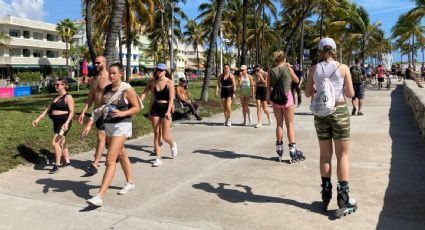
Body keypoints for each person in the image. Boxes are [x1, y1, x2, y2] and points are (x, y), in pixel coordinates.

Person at [305, 37, 357, 217]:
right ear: (334, 50)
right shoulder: (342, 68)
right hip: (339, 111)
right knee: (342, 154)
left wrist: (319, 86)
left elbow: (307, 93)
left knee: (325, 154)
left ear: (320, 51)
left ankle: (325, 193)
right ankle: (343, 197)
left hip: (321, 114)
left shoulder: (314, 69)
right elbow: (351, 93)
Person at [82, 63, 140, 207]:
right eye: (110, 73)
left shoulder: (127, 89)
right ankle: (130, 182)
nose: (111, 75)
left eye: (114, 73)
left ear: (121, 74)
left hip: (122, 125)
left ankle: (100, 196)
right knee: (121, 154)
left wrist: (123, 113)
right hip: (109, 124)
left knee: (110, 160)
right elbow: (102, 108)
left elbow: (137, 107)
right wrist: (90, 123)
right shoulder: (107, 89)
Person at [267, 50, 304, 163]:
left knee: (279, 124)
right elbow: (297, 81)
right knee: (290, 125)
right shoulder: (288, 69)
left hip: (276, 99)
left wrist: (269, 98)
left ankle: (279, 150)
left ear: (275, 60)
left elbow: (268, 86)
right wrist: (290, 68)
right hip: (287, 97)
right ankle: (292, 151)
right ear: (284, 59)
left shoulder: (271, 71)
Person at [32, 78, 74, 173]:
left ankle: (57, 165)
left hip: (64, 124)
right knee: (61, 142)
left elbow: (72, 112)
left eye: (58, 84)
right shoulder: (55, 97)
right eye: (55, 84)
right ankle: (67, 162)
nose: (55, 86)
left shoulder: (68, 97)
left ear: (64, 86)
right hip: (56, 123)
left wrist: (67, 123)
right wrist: (38, 119)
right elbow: (47, 110)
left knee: (55, 143)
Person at [78, 56, 111, 175]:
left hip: (109, 112)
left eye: (98, 63)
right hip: (97, 112)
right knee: (107, 139)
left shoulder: (110, 77)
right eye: (95, 63)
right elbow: (90, 98)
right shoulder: (95, 79)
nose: (96, 65)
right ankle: (116, 153)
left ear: (105, 62)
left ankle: (95, 165)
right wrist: (83, 112)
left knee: (101, 136)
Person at [147, 63, 178, 167]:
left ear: (165, 71)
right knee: (156, 133)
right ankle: (158, 158)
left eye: (161, 70)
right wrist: (149, 111)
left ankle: (172, 144)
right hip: (156, 108)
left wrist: (169, 111)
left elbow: (171, 99)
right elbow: (153, 98)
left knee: (165, 135)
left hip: (165, 108)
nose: (159, 72)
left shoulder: (169, 83)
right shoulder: (153, 83)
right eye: (157, 70)